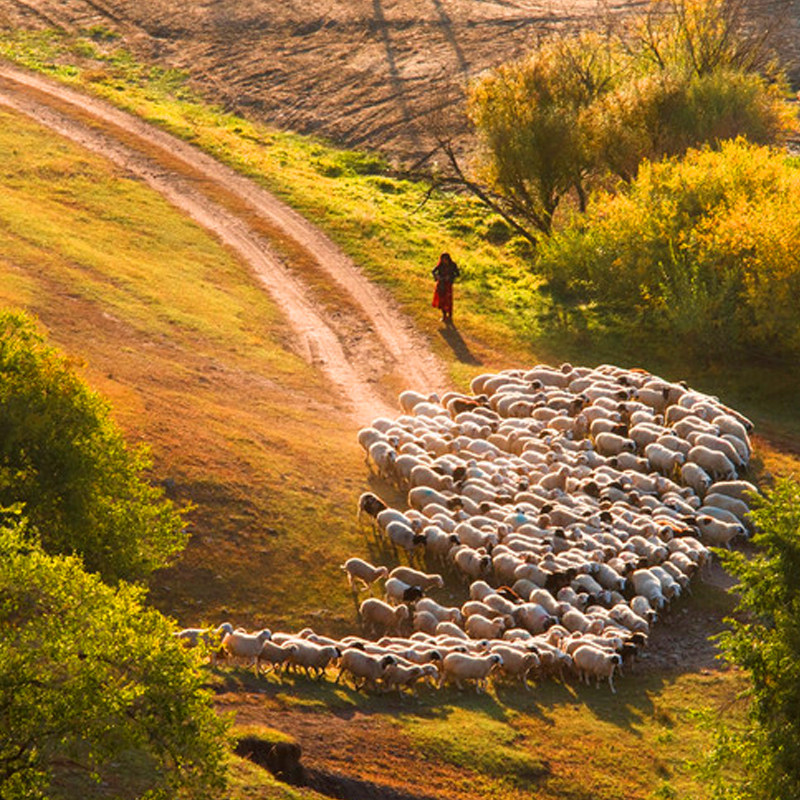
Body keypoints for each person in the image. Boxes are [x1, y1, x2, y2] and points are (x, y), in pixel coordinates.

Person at [431, 252, 460, 324]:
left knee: (448, 300)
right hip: (441, 284)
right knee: (442, 300)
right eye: (443, 259)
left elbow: (457, 274)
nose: (444, 261)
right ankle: (444, 315)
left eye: (445, 259)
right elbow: (433, 271)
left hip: (448, 284)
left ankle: (450, 315)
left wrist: (450, 277)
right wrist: (437, 277)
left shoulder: (453, 265)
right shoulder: (440, 265)